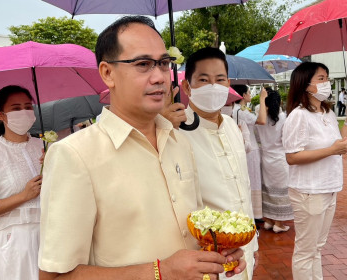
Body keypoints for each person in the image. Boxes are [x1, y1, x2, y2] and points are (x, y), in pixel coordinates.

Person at [38, 16, 245, 280]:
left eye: (163, 63)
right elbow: (55, 277)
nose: (159, 77)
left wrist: (217, 249)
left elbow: (193, 232)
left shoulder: (179, 141)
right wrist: (162, 271)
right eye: (143, 64)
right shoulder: (75, 155)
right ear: (107, 73)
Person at [161, 47, 259, 280]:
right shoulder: (175, 131)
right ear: (187, 87)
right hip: (207, 258)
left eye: (219, 80)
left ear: (228, 85)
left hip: (245, 251)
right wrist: (162, 128)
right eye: (203, 80)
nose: (213, 87)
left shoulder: (231, 127)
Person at [282, 62, 347, 280]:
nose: (328, 83)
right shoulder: (299, 115)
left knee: (317, 247)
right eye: (321, 78)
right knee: (306, 251)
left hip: (329, 188)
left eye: (327, 77)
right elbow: (292, 157)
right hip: (309, 191)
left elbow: (337, 146)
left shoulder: (327, 112)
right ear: (306, 85)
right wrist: (332, 149)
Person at [0, 85, 43, 280]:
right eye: (16, 108)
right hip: (14, 241)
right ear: (1, 114)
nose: (24, 112)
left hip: (50, 235)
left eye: (28, 107)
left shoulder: (44, 146)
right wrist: (24, 196)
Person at [255, 89, 293, 233]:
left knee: (268, 190)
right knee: (281, 191)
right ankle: (279, 223)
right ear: (279, 102)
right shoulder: (283, 117)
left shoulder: (259, 118)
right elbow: (286, 140)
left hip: (265, 159)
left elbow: (258, 138)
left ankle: (269, 221)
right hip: (279, 159)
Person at [231, 85, 267, 219]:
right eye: (248, 92)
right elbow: (262, 120)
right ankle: (254, 214)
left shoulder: (238, 110)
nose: (250, 94)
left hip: (244, 148)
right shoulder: (241, 111)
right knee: (253, 180)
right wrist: (262, 99)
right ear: (242, 96)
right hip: (250, 150)